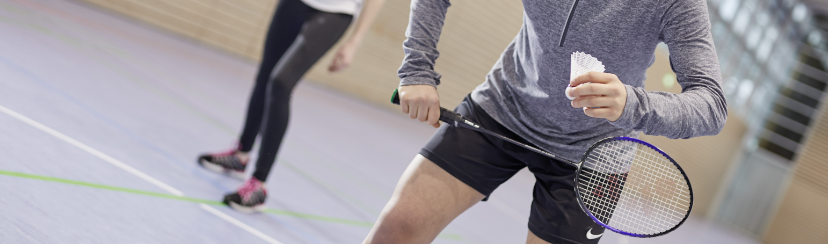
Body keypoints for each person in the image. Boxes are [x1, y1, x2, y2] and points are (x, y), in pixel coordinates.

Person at [364, 0, 727, 243]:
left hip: (594, 159)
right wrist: (417, 71)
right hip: (501, 112)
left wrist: (632, 104)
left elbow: (711, 105)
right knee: (397, 228)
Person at [197, 0, 385, 213]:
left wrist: (355, 41)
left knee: (281, 83)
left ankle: (259, 184)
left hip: (336, 12)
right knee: (265, 76)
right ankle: (240, 154)